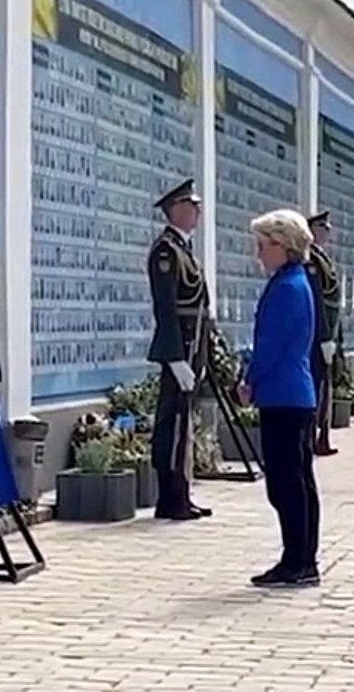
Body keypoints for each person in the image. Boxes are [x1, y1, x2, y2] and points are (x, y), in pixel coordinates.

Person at [238, 209, 320, 588]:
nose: (258, 254)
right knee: (298, 479)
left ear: (283, 246)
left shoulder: (287, 287)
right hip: (294, 394)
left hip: (283, 394)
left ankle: (296, 560)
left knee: (286, 483)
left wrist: (249, 379)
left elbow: (270, 345)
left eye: (263, 245)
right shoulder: (295, 281)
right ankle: (302, 558)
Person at [147, 178, 212, 521]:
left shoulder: (183, 250)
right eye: (192, 206)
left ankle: (181, 493)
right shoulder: (166, 252)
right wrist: (174, 357)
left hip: (192, 346)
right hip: (179, 348)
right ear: (176, 210)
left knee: (184, 423)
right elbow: (166, 308)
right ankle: (169, 497)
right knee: (171, 424)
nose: (198, 211)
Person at [304, 211, 341, 457]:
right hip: (318, 334)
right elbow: (317, 300)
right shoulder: (311, 261)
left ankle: (322, 435)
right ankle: (312, 436)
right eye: (322, 228)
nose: (326, 232)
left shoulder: (323, 258)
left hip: (329, 332)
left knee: (326, 386)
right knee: (317, 386)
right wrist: (324, 335)